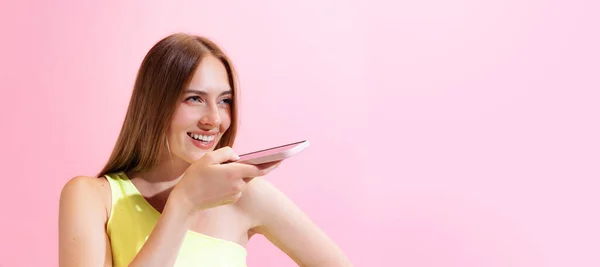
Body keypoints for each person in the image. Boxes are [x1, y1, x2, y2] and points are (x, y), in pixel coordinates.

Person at [58, 33, 352, 267]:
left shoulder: (245, 195)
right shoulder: (92, 197)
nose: (214, 119)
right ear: (154, 105)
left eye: (224, 101)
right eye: (194, 99)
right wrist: (183, 204)